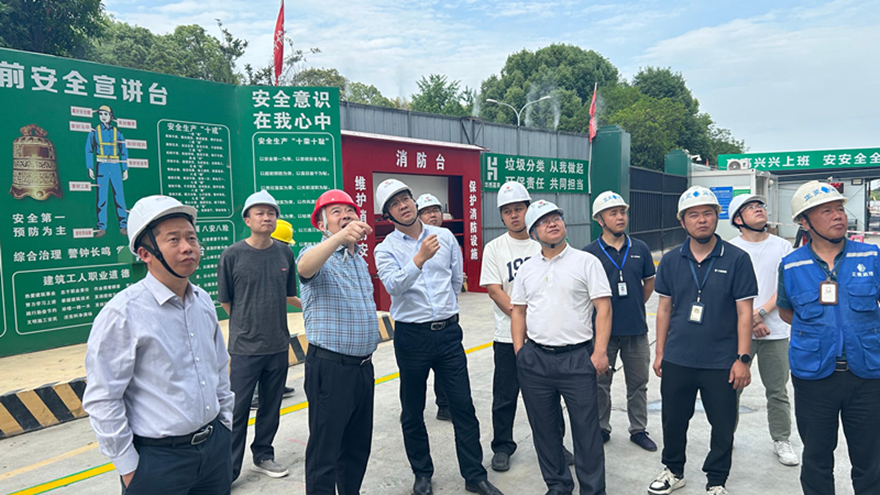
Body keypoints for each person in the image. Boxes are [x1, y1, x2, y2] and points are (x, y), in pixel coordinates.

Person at [82, 195, 234, 494]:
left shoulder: (202, 301)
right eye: (173, 239)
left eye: (191, 237)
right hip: (158, 461)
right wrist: (130, 468)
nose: (187, 247)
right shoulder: (122, 314)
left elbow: (218, 368)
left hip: (214, 450)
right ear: (145, 253)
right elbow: (104, 398)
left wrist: (224, 425)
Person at [374, 179, 503, 495]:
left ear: (413, 201)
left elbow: (456, 279)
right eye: (394, 204)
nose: (403, 206)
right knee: (412, 409)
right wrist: (418, 259)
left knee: (463, 406)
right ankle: (422, 474)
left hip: (447, 334)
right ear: (387, 215)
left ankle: (474, 475)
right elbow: (393, 286)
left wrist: (444, 310)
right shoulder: (385, 248)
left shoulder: (444, 237)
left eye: (405, 198)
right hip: (411, 337)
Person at [649, 186, 757, 495]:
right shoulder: (671, 260)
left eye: (708, 213)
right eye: (693, 215)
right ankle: (673, 470)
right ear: (682, 221)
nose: (702, 220)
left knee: (722, 424)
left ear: (716, 217)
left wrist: (743, 358)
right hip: (678, 357)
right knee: (673, 420)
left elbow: (744, 313)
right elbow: (664, 309)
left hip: (721, 360)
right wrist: (660, 352)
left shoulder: (737, 259)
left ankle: (716, 480)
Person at [777, 181, 880, 495]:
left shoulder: (871, 255)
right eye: (826, 211)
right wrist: (823, 334)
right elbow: (787, 312)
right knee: (816, 458)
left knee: (871, 459)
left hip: (867, 375)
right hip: (814, 377)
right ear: (805, 222)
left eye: (839, 209)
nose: (838, 216)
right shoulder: (791, 265)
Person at [510, 199, 612, 495]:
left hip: (577, 358)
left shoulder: (585, 262)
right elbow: (518, 311)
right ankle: (558, 485)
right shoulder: (527, 269)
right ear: (533, 233)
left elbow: (603, 308)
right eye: (543, 221)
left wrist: (600, 352)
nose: (552, 223)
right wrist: (520, 352)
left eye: (556, 217)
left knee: (587, 430)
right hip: (536, 360)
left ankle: (592, 490)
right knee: (544, 429)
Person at [480, 182, 573, 473]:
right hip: (507, 338)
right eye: (507, 211)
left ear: (528, 209)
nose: (514, 215)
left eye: (518, 209)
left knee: (550, 397)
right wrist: (522, 317)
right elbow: (494, 290)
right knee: (505, 396)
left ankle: (556, 445)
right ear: (501, 216)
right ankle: (502, 446)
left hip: (545, 338)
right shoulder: (494, 248)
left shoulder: (543, 243)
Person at [297, 189, 380, 495]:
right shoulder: (315, 254)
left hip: (362, 368)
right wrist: (340, 237)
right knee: (325, 451)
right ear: (321, 225)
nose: (346, 216)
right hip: (330, 368)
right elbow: (304, 268)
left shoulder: (358, 260)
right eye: (336, 212)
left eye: (350, 211)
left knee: (357, 447)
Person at [217, 190, 298, 481]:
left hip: (278, 344)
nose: (267, 217)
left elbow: (289, 294)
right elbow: (226, 301)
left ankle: (263, 455)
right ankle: (228, 470)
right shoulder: (232, 255)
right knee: (237, 410)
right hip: (244, 348)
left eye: (271, 213)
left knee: (271, 407)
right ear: (247, 219)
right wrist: (246, 324)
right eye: (260, 213)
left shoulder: (285, 253)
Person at [726, 193, 799, 466]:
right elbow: (725, 292)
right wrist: (751, 321)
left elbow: (786, 287)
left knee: (777, 390)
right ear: (738, 219)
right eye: (751, 208)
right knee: (731, 388)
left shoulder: (782, 247)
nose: (759, 210)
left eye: (760, 206)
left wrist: (761, 314)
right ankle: (725, 436)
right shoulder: (730, 249)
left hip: (776, 331)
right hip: (738, 332)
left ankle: (781, 439)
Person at [583, 191, 657, 451]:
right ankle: (601, 428)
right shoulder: (589, 253)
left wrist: (633, 306)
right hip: (602, 333)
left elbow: (649, 283)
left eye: (622, 212)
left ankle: (638, 429)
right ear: (600, 220)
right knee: (600, 384)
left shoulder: (640, 249)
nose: (620, 217)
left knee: (638, 384)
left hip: (636, 329)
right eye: (613, 213)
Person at [250, 219, 301, 410]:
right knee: (259, 356)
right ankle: (255, 395)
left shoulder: (279, 259)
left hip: (274, 317)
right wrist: (307, 306)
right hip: (257, 318)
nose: (287, 248)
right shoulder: (259, 260)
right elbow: (288, 296)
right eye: (285, 243)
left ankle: (276, 386)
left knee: (277, 353)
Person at [416, 192, 452, 422]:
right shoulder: (409, 242)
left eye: (436, 210)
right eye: (427, 212)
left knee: (445, 369)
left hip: (445, 316)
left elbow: (455, 276)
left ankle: (445, 405)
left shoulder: (447, 238)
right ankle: (412, 412)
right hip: (418, 320)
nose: (433, 215)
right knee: (415, 374)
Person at [85, 104, 128, 238]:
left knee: (119, 196)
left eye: (105, 114)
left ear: (111, 116)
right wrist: (90, 167)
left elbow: (123, 151)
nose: (103, 117)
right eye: (101, 114)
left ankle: (124, 225)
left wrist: (125, 169)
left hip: (115, 166)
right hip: (102, 165)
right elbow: (89, 150)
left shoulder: (117, 133)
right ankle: (101, 227)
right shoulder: (94, 132)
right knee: (102, 197)